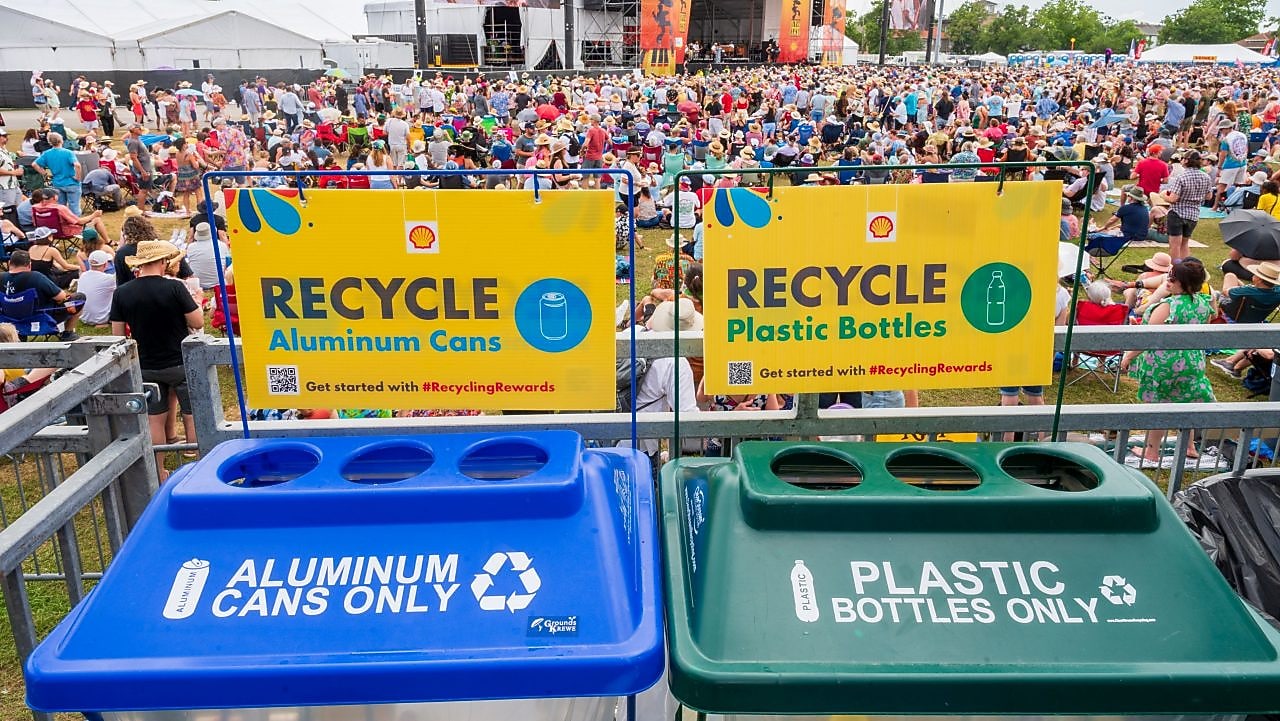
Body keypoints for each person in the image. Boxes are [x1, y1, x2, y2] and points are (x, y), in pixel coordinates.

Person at [110, 241, 203, 479]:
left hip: (147, 365)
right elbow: (197, 322)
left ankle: (158, 471)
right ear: (163, 262)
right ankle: (197, 467)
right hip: (180, 361)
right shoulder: (175, 288)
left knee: (155, 419)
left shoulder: (122, 292)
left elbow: (118, 335)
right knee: (191, 413)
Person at [1120, 259, 1217, 468]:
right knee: (1187, 402)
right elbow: (1206, 326)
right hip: (1193, 362)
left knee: (1158, 407)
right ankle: (1190, 447)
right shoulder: (1204, 303)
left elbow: (1148, 339)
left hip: (1164, 365)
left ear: (1185, 284)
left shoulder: (1168, 306)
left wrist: (1128, 357)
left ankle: (1151, 451)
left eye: (1173, 278)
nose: (1168, 280)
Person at [0, 250, 82, 341]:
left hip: (8, 319)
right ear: (30, 265)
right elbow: (61, 296)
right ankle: (68, 333)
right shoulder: (36, 277)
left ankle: (19, 335)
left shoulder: (1, 277)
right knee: (79, 298)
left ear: (9, 263)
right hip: (39, 318)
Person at [1160, 150, 1212, 262]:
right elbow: (1208, 196)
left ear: (1187, 160)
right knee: (1185, 243)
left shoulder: (1182, 177)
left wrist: (1163, 196)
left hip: (1177, 213)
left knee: (1175, 245)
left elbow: (1173, 199)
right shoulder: (1206, 177)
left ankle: (1176, 270)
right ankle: (1185, 269)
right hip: (1193, 214)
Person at [33, 132, 82, 215]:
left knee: (60, 207)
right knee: (74, 207)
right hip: (71, 182)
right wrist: (78, 177)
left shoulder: (47, 153)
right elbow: (77, 165)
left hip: (58, 183)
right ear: (61, 141)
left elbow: (34, 164)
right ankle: (76, 225)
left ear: (50, 142)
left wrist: (45, 173)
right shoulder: (68, 152)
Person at [184, 221, 231, 295]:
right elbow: (228, 262)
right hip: (219, 281)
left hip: (198, 282)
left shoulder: (190, 247)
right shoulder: (222, 245)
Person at [76, 250, 116, 328]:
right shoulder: (108, 278)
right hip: (101, 318)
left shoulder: (83, 275)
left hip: (83, 317)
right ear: (105, 264)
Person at [0, 128, 21, 209]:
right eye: (4, 136)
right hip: (4, 187)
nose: (6, 138)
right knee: (7, 211)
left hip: (13, 185)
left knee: (17, 210)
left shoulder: (3, 149)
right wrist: (14, 173)